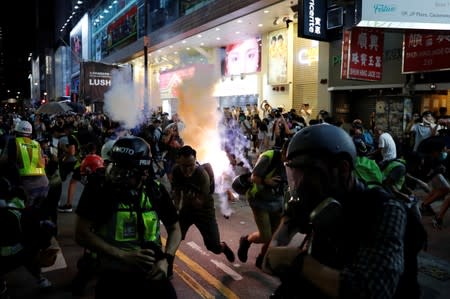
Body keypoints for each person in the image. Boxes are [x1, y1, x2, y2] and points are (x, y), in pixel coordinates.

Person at [263, 123, 423, 299]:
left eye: (310, 175)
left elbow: (371, 291)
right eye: (296, 175)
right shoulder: (311, 198)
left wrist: (296, 261)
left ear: (343, 168)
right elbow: (279, 240)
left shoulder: (385, 210)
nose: (302, 185)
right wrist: (277, 245)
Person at [74, 136, 182, 299]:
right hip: (113, 277)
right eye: (115, 167)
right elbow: (81, 234)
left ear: (144, 172)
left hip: (152, 274)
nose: (117, 175)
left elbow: (175, 228)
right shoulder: (99, 189)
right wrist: (123, 255)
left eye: (125, 172)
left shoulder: (156, 191)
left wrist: (167, 260)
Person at [171, 145, 235, 263]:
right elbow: (177, 192)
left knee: (213, 246)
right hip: (186, 210)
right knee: (174, 238)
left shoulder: (202, 175)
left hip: (204, 211)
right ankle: (168, 266)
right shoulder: (176, 171)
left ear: (195, 161)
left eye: (190, 165)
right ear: (178, 161)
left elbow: (200, 203)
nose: (187, 170)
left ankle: (223, 247)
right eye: (184, 166)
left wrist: (191, 198)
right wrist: (176, 207)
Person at [237, 143, 287, 269]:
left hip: (278, 201)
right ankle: (246, 240)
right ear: (285, 151)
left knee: (274, 236)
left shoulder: (295, 163)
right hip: (259, 200)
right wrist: (266, 181)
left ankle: (262, 259)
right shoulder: (268, 157)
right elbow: (254, 177)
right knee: (266, 236)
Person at [0, 120, 49, 208]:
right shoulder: (36, 144)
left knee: (26, 215)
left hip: (28, 188)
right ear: (30, 134)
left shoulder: (13, 143)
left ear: (16, 132)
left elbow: (3, 161)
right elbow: (43, 163)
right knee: (38, 214)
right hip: (44, 184)